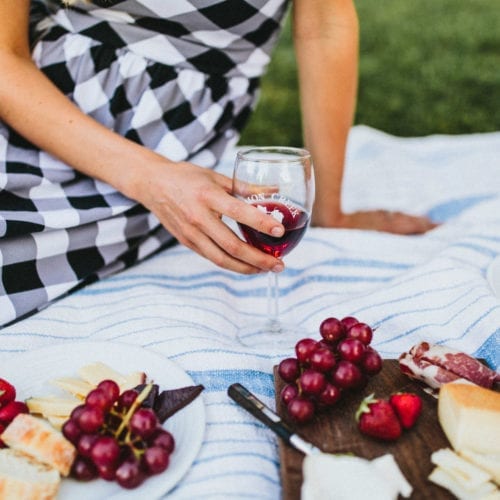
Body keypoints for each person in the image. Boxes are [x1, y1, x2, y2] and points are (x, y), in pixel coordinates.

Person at [0, 0, 435, 327]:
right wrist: (152, 180)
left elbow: (324, 23)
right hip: (37, 121)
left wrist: (329, 212)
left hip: (176, 150)